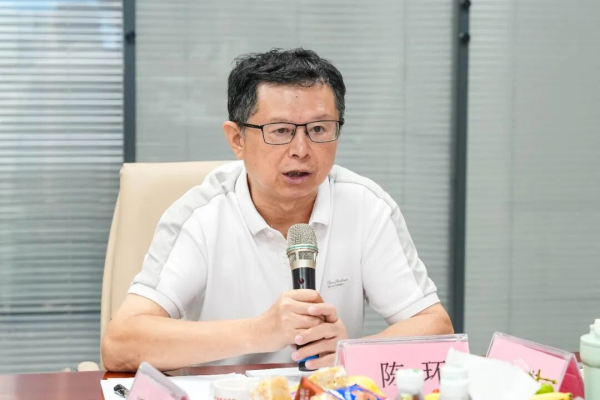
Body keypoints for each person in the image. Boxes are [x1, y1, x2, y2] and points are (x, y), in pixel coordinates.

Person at [101, 48, 453, 372]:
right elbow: (121, 344)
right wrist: (260, 332)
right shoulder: (199, 215)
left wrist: (350, 353)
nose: (301, 149)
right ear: (237, 139)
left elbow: (435, 327)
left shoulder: (364, 207)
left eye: (319, 129)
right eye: (281, 131)